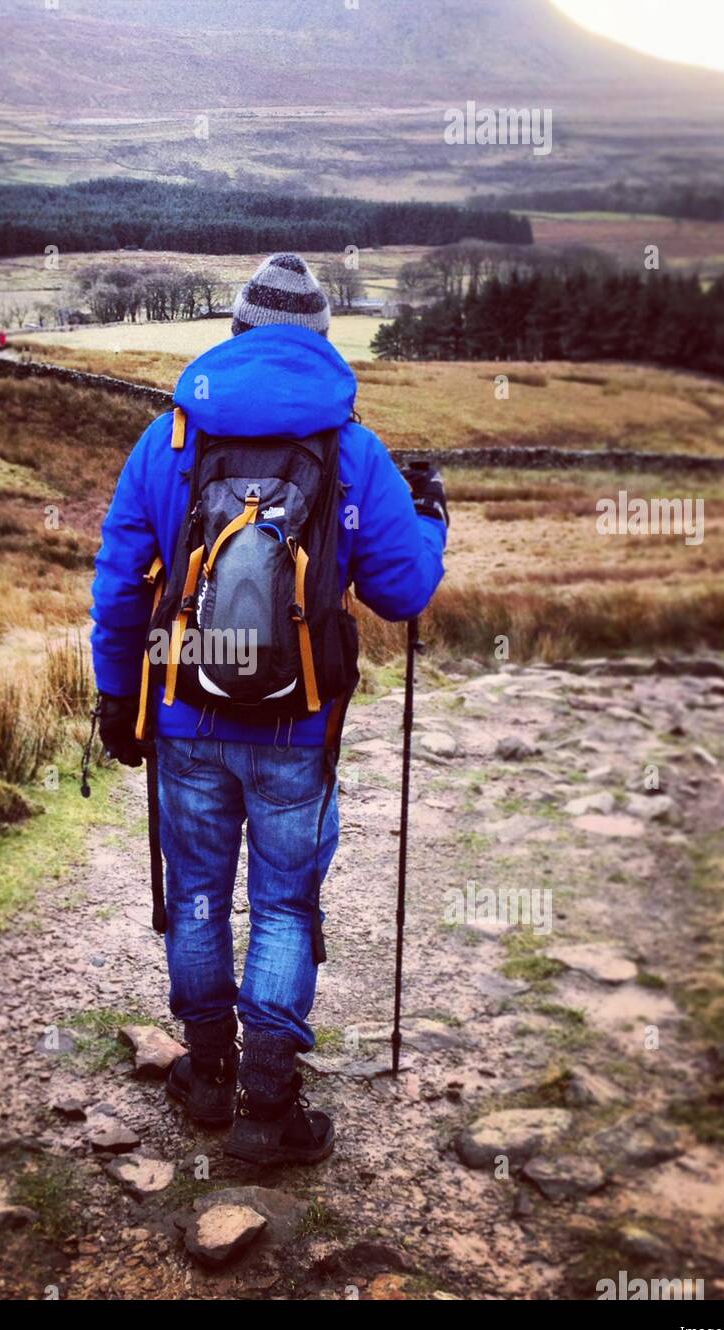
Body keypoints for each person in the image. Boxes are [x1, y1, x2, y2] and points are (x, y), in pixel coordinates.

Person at [90, 253, 447, 1164]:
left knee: (200, 899)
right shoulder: (352, 450)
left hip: (182, 705)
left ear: (237, 332)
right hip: (301, 719)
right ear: (320, 340)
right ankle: (266, 1109)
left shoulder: (169, 439)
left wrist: (115, 695)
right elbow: (403, 594)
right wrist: (431, 515)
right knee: (285, 906)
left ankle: (206, 1074)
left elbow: (121, 585)